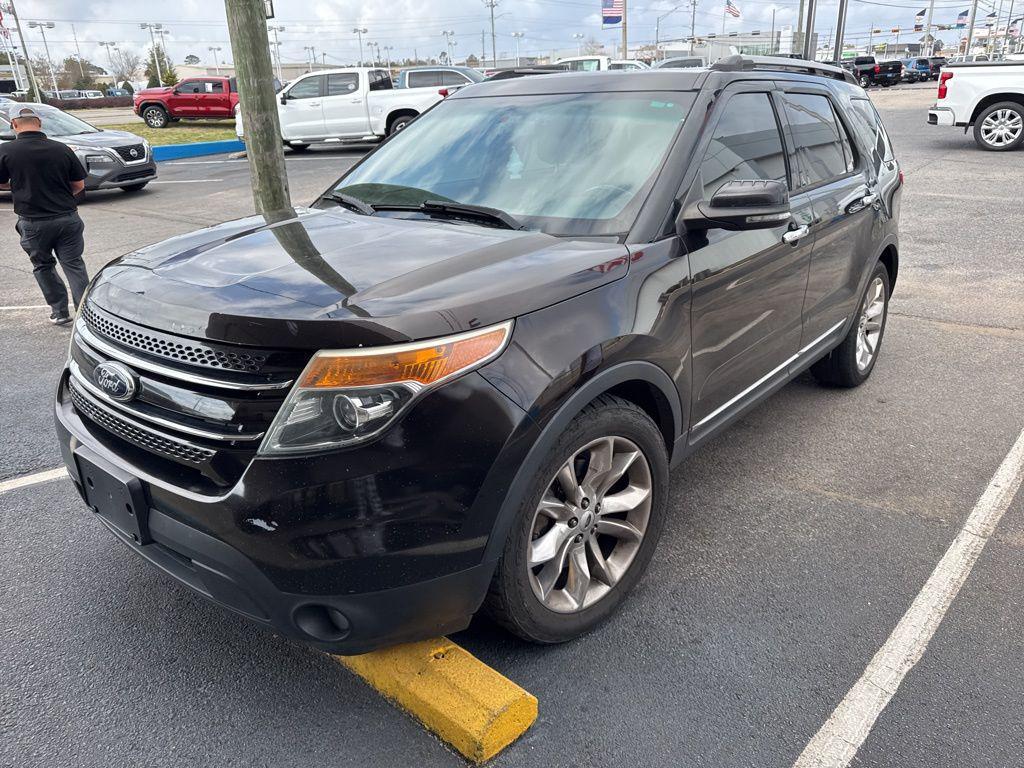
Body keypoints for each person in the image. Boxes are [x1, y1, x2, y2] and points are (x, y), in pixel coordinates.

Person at [0, 105, 89, 325]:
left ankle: (60, 312)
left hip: (33, 222)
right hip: (67, 217)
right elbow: (78, 184)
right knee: (74, 264)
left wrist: (20, 187)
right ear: (39, 123)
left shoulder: (6, 151)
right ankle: (85, 315)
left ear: (14, 125)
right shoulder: (62, 149)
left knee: (43, 266)